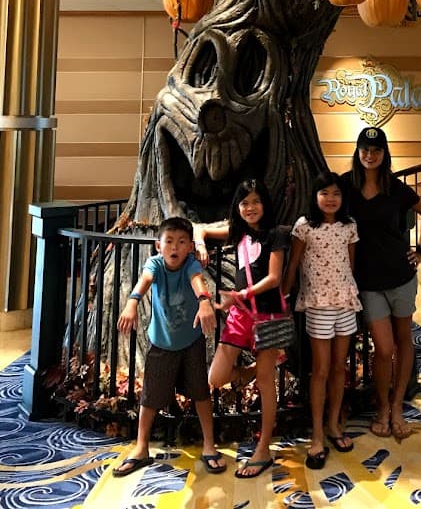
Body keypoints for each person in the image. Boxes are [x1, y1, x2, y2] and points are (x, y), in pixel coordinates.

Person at [113, 216, 225, 478]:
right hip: (161, 343)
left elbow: (198, 280)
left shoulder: (190, 264)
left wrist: (204, 301)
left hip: (190, 342)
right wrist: (132, 302)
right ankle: (141, 448)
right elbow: (145, 280)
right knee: (150, 397)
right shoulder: (155, 264)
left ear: (190, 247)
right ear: (158, 245)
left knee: (200, 392)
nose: (175, 247)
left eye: (182, 241)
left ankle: (209, 444)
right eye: (170, 241)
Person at [342, 126, 421, 442]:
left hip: (400, 276)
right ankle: (382, 407)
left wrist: (420, 248)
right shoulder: (346, 186)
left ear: (384, 154)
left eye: (376, 150)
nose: (369, 155)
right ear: (358, 152)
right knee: (383, 347)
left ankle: (396, 407)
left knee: (404, 338)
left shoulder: (396, 189)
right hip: (368, 281)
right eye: (365, 150)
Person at [196, 179, 289, 480]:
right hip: (240, 315)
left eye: (255, 201)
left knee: (266, 383)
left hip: (268, 313)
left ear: (265, 204)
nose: (250, 208)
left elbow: (274, 278)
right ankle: (250, 373)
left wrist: (242, 295)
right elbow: (201, 228)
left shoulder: (275, 235)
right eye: (244, 202)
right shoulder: (237, 232)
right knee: (217, 376)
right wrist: (199, 242)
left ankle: (263, 449)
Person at [282, 171, 361, 470]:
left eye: (336, 193)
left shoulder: (350, 226)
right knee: (321, 369)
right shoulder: (305, 226)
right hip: (317, 303)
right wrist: (284, 296)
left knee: (340, 367)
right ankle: (316, 433)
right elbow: (294, 263)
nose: (330, 199)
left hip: (345, 301)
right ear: (315, 197)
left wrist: (352, 291)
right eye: (324, 193)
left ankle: (333, 425)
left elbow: (351, 263)